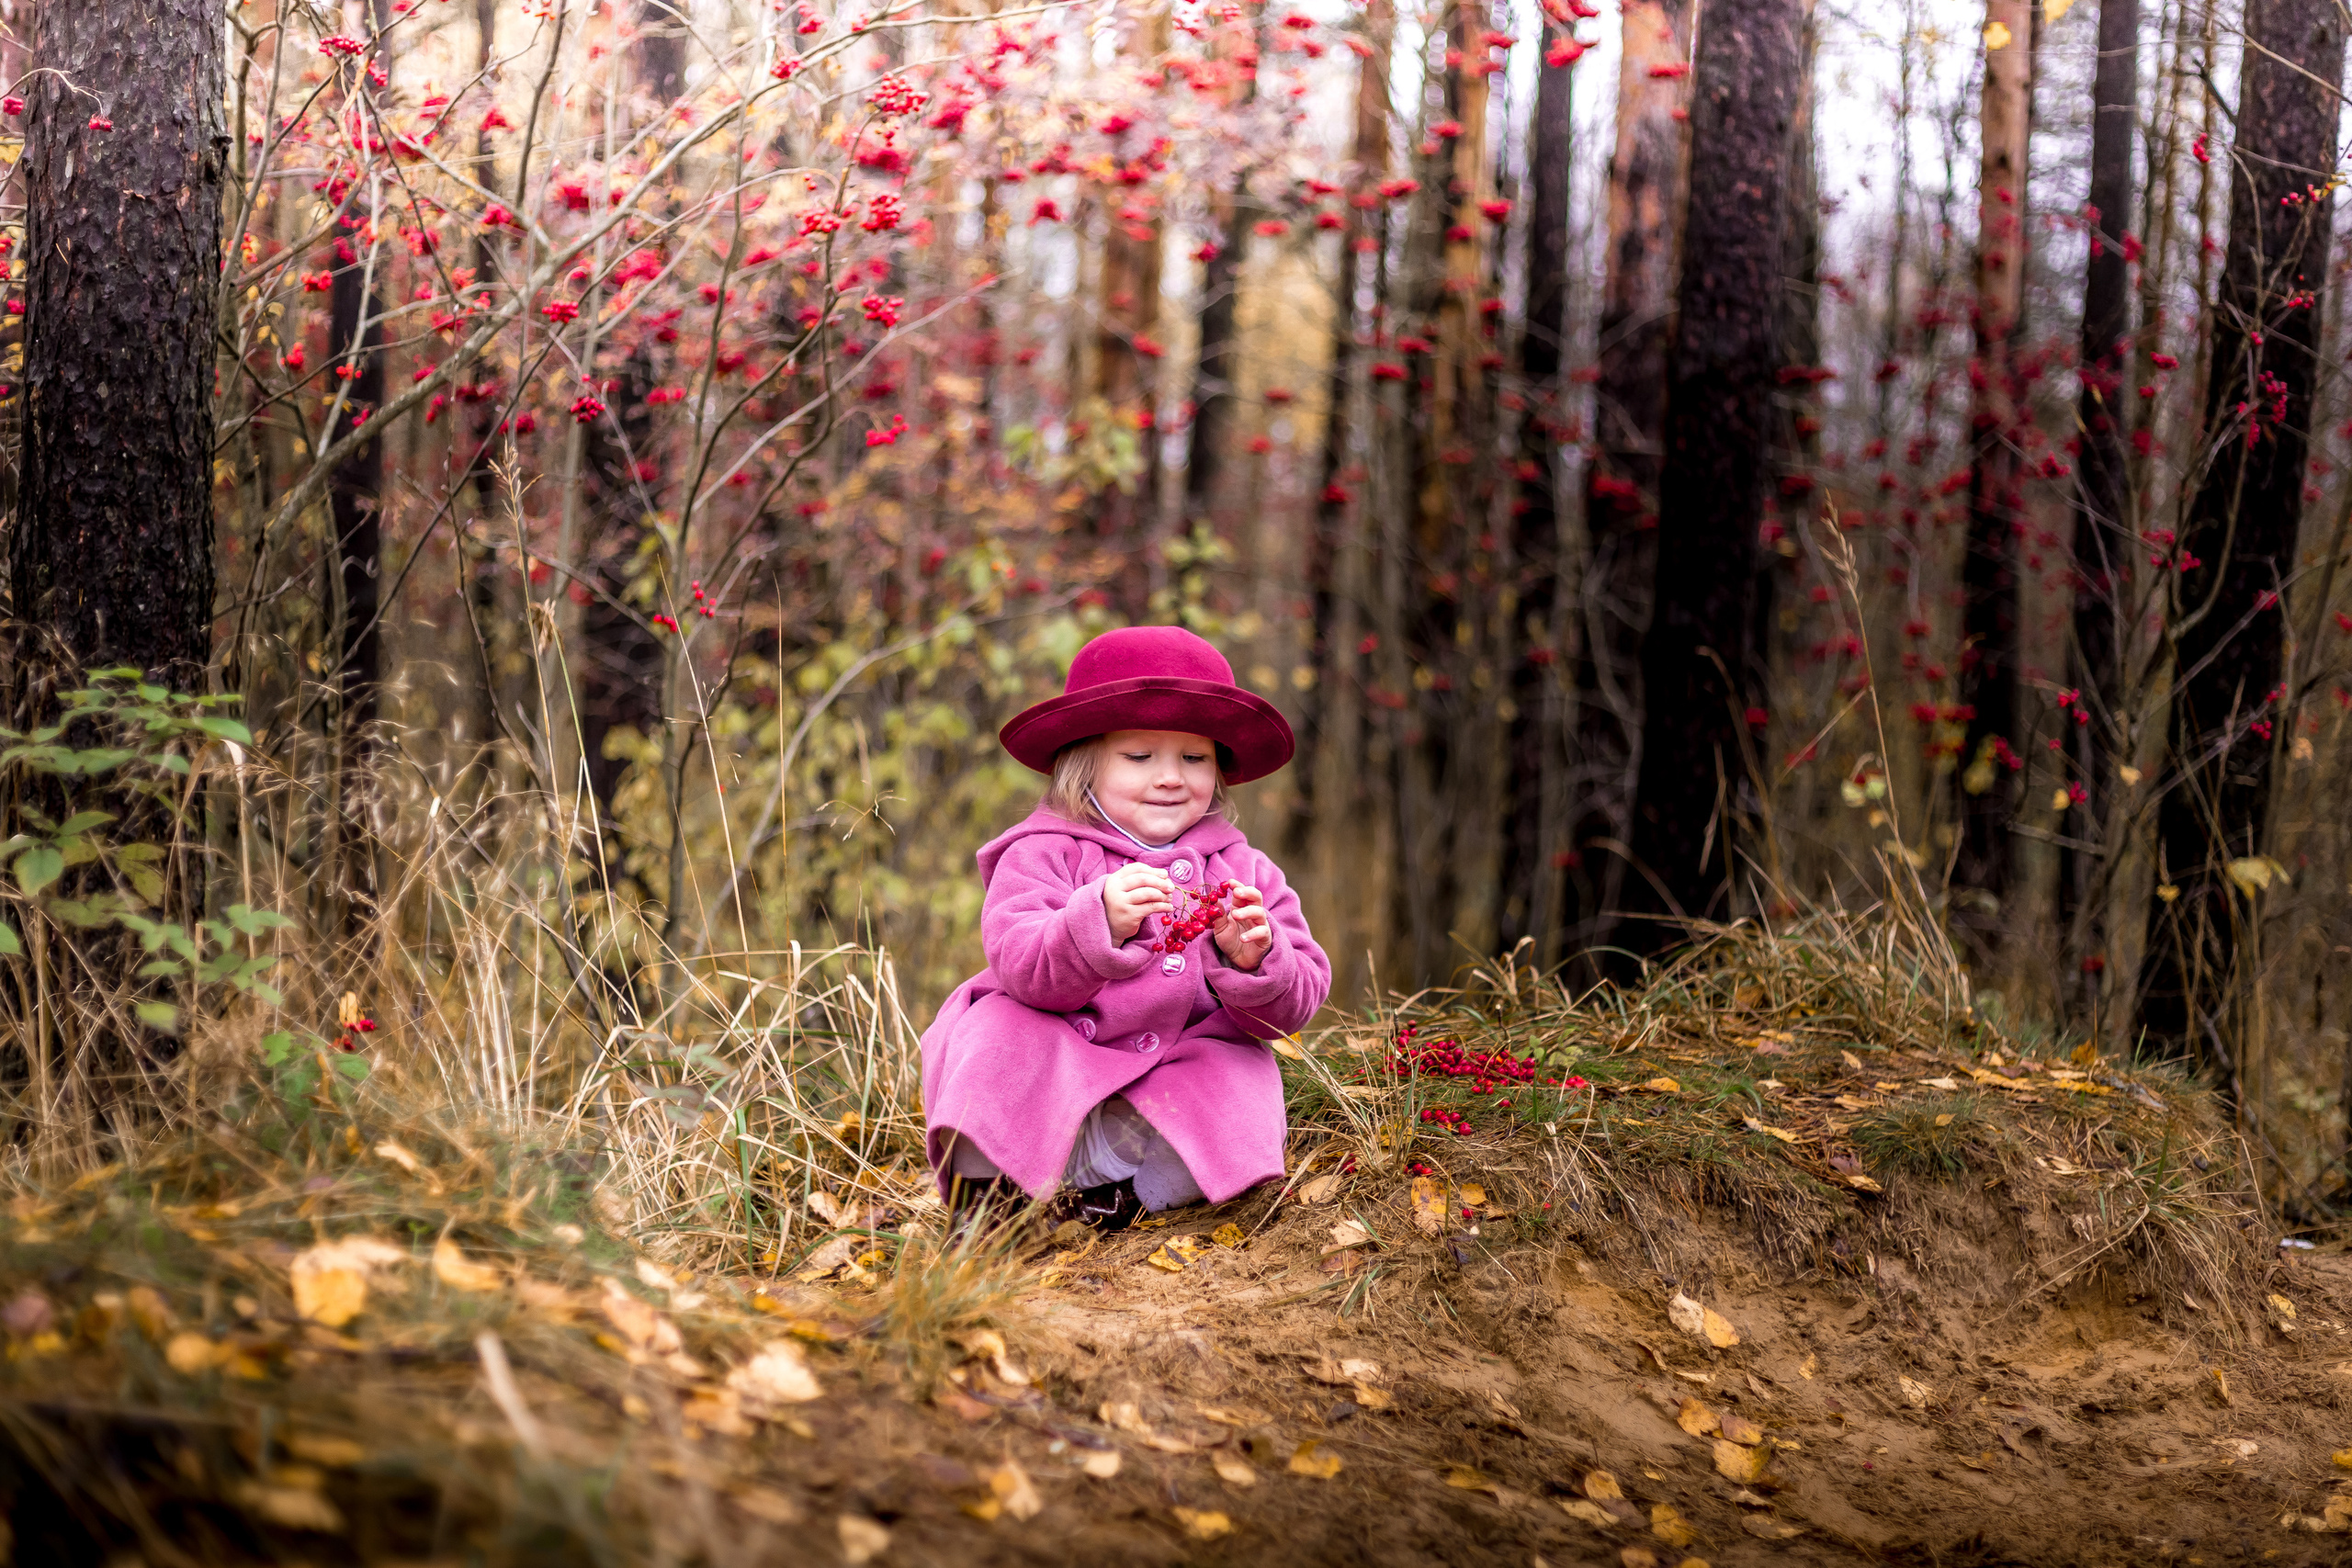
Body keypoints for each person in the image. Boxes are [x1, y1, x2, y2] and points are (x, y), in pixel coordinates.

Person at [921, 625, 1331, 1230]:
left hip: (1169, 1074)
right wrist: (1095, 923)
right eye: (1139, 757)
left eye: (1193, 758)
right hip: (1061, 1053)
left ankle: (1113, 1195)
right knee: (991, 1037)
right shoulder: (1043, 853)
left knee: (1241, 1084)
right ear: (1082, 767)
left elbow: (1291, 1009)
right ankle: (988, 1202)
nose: (1170, 776)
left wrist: (1255, 961)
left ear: (1217, 769)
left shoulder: (1243, 871)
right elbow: (1021, 965)